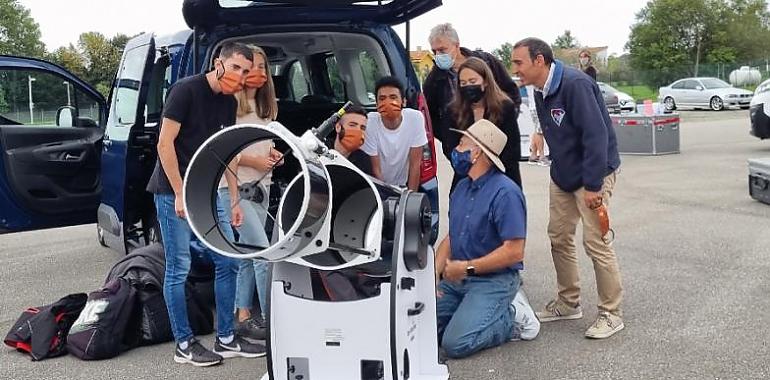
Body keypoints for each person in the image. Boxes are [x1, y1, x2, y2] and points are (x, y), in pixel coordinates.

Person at [146, 42, 265, 367]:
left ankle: (226, 338)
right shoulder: (185, 91)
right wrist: (180, 192)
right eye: (237, 68)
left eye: (246, 70)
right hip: (173, 192)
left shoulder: (227, 103)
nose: (241, 76)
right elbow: (164, 143)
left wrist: (235, 198)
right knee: (179, 268)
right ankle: (183, 344)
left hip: (209, 193)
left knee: (228, 261)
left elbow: (224, 152)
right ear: (219, 63)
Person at [512, 37, 624, 339]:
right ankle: (568, 302)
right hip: (563, 174)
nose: (515, 69)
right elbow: (553, 123)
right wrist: (538, 133)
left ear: (539, 61)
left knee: (596, 242)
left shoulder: (575, 85)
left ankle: (611, 313)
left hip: (593, 175)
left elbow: (596, 135)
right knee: (558, 236)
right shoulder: (538, 90)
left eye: (518, 62)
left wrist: (592, 185)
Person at [434, 119, 538, 359]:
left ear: (477, 151)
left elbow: (514, 252)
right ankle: (472, 314)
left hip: (494, 280)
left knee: (455, 344)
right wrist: (433, 279)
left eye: (462, 143)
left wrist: (468, 268)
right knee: (423, 329)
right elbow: (452, 238)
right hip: (459, 278)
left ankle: (512, 316)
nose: (456, 150)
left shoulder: (506, 193)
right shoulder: (461, 188)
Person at [215, 45, 281, 341]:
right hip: (237, 188)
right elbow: (221, 153)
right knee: (263, 253)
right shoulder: (230, 107)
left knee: (247, 256)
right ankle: (272, 319)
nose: (259, 73)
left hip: (261, 187)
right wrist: (255, 160)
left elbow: (260, 147)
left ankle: (242, 314)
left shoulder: (266, 111)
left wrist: (272, 154)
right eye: (252, 67)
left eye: (263, 67)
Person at [423, 23, 521, 161]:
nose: (438, 55)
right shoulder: (435, 79)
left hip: (496, 144)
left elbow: (511, 92)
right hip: (462, 150)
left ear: (456, 45)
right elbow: (429, 115)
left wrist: (505, 122)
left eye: (442, 50)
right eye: (434, 51)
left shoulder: (487, 62)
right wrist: (448, 138)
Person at [444, 57, 521, 191]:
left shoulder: (505, 107)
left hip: (502, 178)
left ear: (485, 81)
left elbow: (513, 150)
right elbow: (450, 147)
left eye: (473, 81)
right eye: (463, 83)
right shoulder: (453, 111)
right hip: (465, 180)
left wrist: (486, 168)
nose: (468, 86)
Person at [362, 76, 427, 190]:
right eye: (382, 98)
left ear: (404, 101)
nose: (387, 103)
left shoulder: (415, 118)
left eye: (393, 97)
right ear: (376, 105)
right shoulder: (370, 122)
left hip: (403, 185)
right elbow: (376, 169)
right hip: (378, 185)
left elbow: (415, 165)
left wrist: (410, 199)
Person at [332, 104, 371, 175]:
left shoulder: (364, 160)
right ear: (338, 127)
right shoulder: (320, 150)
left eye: (362, 128)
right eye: (352, 125)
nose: (358, 131)